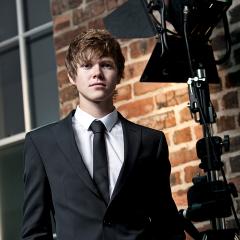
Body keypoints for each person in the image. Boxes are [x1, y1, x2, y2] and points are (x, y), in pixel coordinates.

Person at [22, 29, 185, 240]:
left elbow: (167, 224)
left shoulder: (150, 142)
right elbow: (35, 232)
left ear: (118, 75)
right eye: (87, 65)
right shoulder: (42, 144)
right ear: (72, 76)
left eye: (106, 65)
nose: (97, 73)